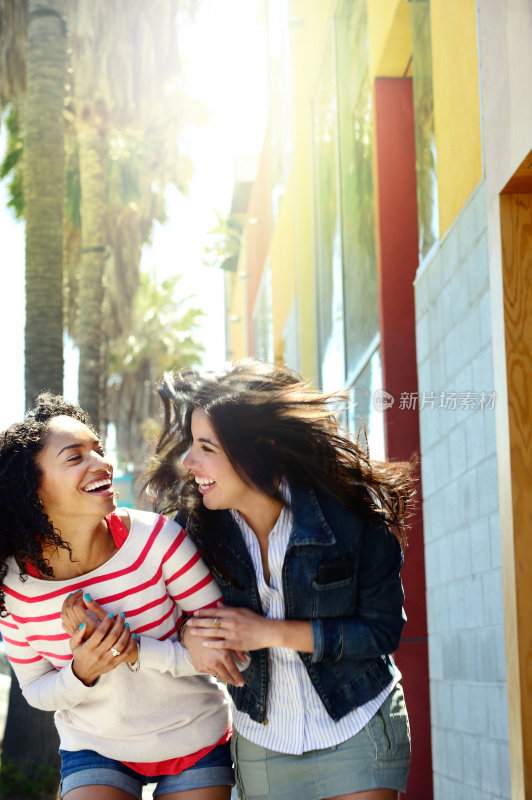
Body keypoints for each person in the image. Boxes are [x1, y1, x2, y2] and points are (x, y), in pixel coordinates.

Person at [144, 359, 413, 800]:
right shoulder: (194, 532)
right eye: (191, 444)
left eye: (206, 447)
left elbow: (383, 631)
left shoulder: (348, 513)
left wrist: (267, 632)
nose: (189, 462)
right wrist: (190, 638)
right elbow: (164, 618)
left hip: (357, 723)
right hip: (263, 743)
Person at [0, 392, 247, 800]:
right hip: (95, 747)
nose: (102, 464)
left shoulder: (158, 539)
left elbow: (225, 650)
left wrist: (135, 651)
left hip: (193, 737)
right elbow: (35, 691)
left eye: (97, 450)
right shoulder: (14, 590)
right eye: (75, 457)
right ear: (32, 491)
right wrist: (83, 671)